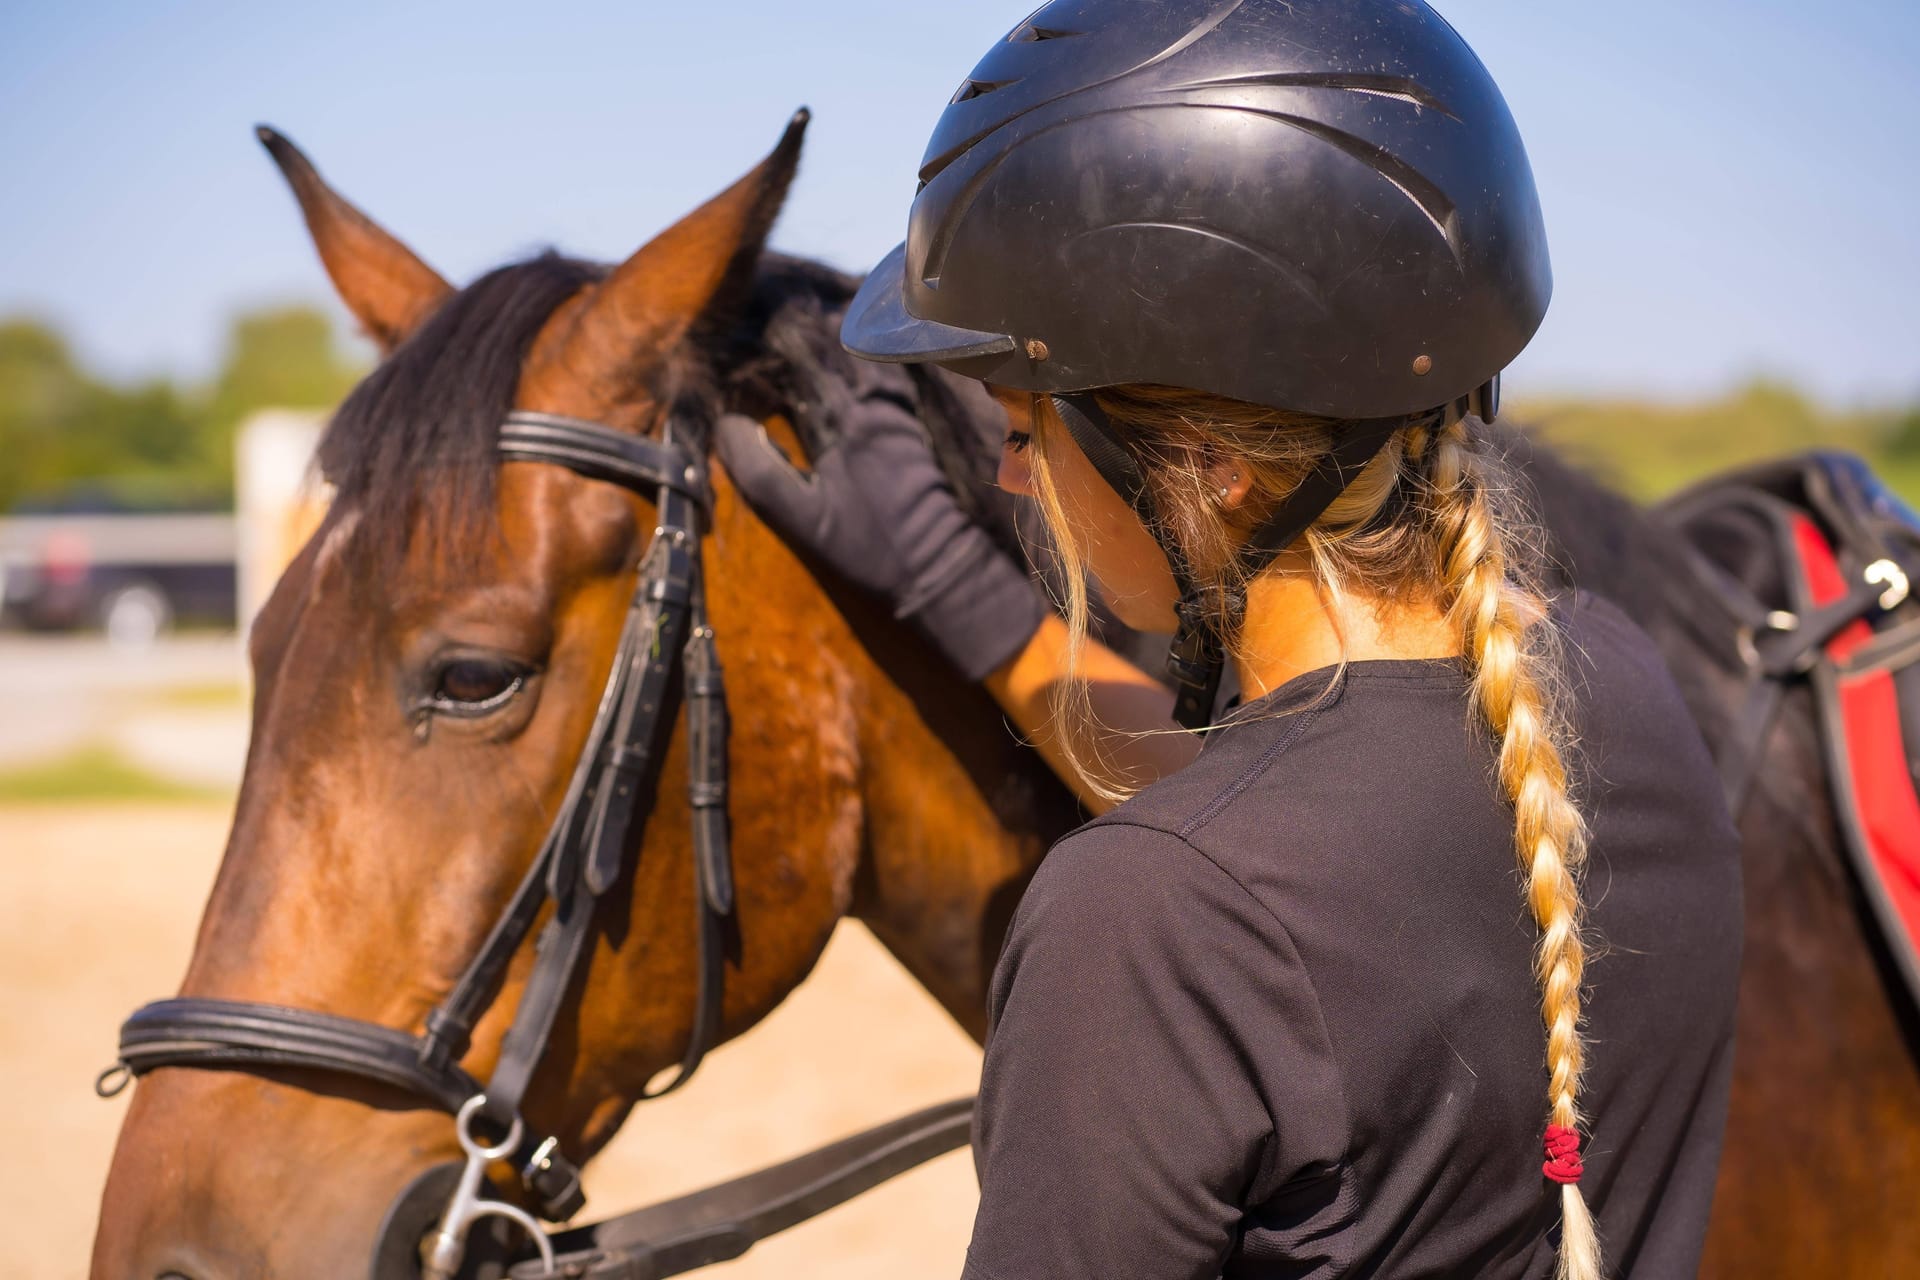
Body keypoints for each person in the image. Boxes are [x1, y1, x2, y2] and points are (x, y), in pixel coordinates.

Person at [715, 2, 1742, 1276]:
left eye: (1026, 429)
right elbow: (1321, 848)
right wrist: (965, 599)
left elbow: (1253, 872)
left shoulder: (1146, 924)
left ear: (1205, 466)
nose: (1011, 478)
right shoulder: (1617, 688)